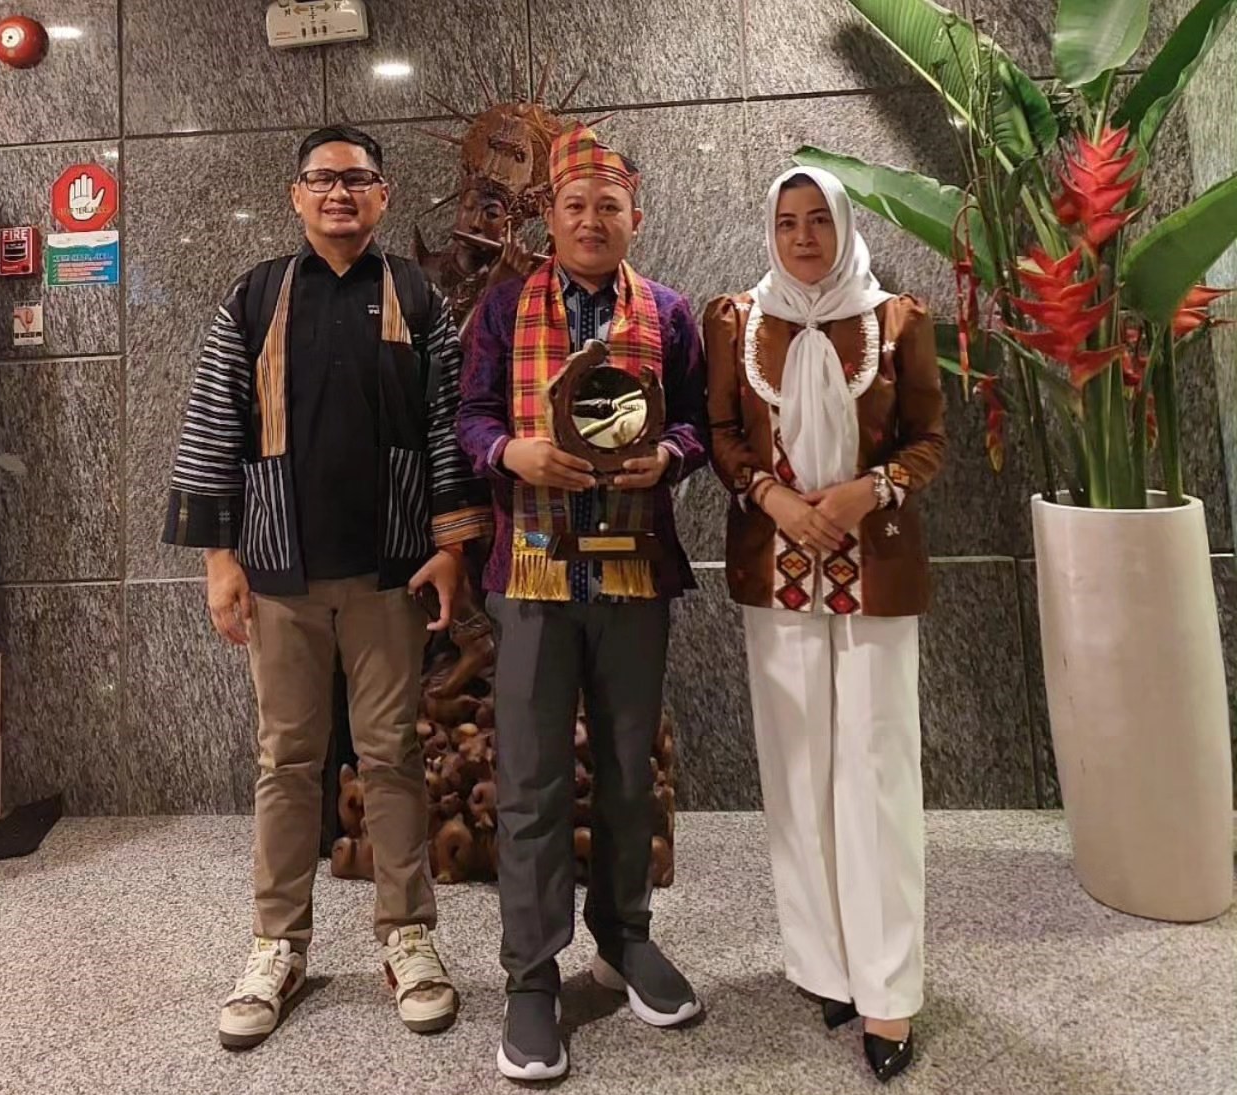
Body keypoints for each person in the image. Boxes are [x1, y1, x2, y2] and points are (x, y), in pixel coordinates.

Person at [162, 124, 491, 1050]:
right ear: (296, 196)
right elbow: (213, 421)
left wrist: (451, 547)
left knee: (391, 754)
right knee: (286, 760)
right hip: (279, 571)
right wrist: (219, 558)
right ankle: (277, 943)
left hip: (389, 568)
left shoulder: (417, 296)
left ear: (384, 196)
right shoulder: (255, 295)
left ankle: (408, 935)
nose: (339, 193)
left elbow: (445, 425)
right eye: (322, 179)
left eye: (357, 179)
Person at [458, 124, 709, 1083]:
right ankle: (532, 976)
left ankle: (624, 938)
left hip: (632, 572)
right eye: (575, 206)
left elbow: (696, 419)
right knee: (529, 780)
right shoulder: (503, 307)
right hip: (531, 572)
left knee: (628, 769)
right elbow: (470, 417)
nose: (592, 220)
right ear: (550, 217)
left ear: (634, 216)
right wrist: (511, 453)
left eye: (609, 206)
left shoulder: (669, 313)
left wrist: (668, 456)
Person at [703, 165, 946, 1082]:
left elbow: (930, 438)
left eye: (818, 221)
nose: (803, 238)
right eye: (787, 222)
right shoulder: (736, 320)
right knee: (797, 766)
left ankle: (888, 987)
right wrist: (772, 497)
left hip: (872, 565)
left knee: (876, 771)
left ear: (843, 227)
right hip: (776, 567)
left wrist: (867, 491)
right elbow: (722, 431)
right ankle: (827, 964)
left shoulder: (898, 321)